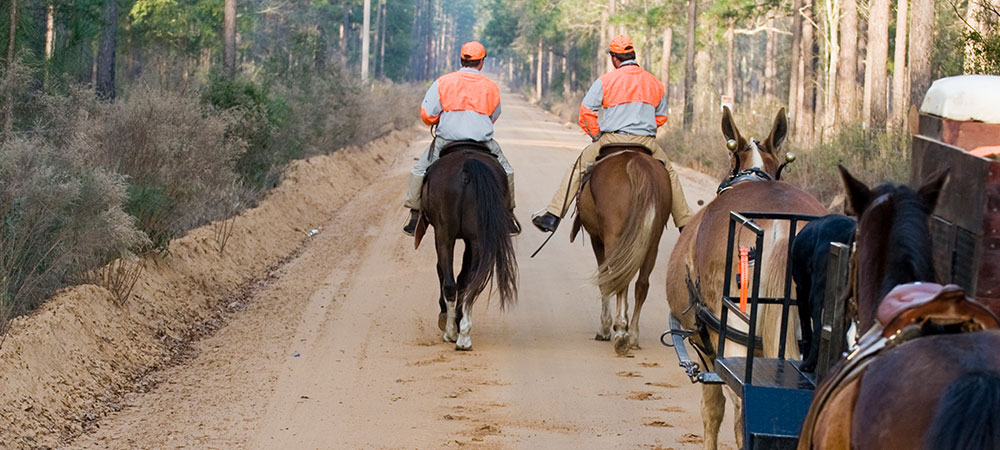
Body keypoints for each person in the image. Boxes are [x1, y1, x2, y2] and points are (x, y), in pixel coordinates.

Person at [531, 35, 693, 233]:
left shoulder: (606, 81)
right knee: (669, 174)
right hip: (646, 142)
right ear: (632, 55)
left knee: (577, 168)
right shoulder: (654, 82)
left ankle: (553, 216)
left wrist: (596, 135)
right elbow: (661, 117)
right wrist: (645, 130)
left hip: (612, 138)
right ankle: (684, 222)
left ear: (615, 59)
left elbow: (586, 112)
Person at [403, 41, 518, 236]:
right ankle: (507, 216)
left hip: (446, 140)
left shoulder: (443, 82)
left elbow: (426, 114)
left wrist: (439, 119)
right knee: (507, 171)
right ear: (481, 62)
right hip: (482, 142)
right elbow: (494, 115)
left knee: (419, 170)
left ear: (461, 59)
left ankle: (415, 215)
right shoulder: (490, 86)